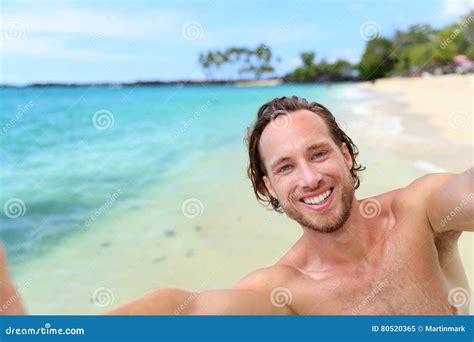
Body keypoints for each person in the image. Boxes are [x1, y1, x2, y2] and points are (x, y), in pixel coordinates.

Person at [1, 96, 472, 315]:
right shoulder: (282, 291)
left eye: (319, 153)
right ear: (267, 187)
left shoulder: (422, 210)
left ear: (346, 155)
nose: (309, 179)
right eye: (285, 168)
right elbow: (181, 310)